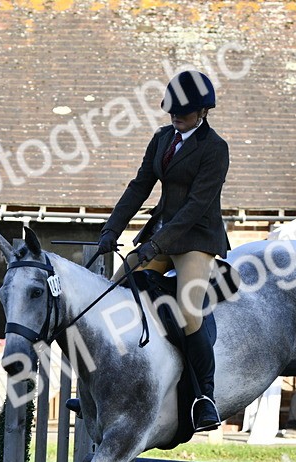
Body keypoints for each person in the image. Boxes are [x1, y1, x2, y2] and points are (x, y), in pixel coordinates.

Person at [95, 70, 230, 432]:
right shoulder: (161, 140)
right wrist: (111, 229)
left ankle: (205, 398)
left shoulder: (215, 148)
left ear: (202, 112)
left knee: (188, 314)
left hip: (196, 238)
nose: (175, 117)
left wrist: (157, 244)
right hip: (160, 233)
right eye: (172, 111)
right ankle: (102, 385)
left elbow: (196, 206)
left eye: (183, 113)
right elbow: (140, 185)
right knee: (113, 291)